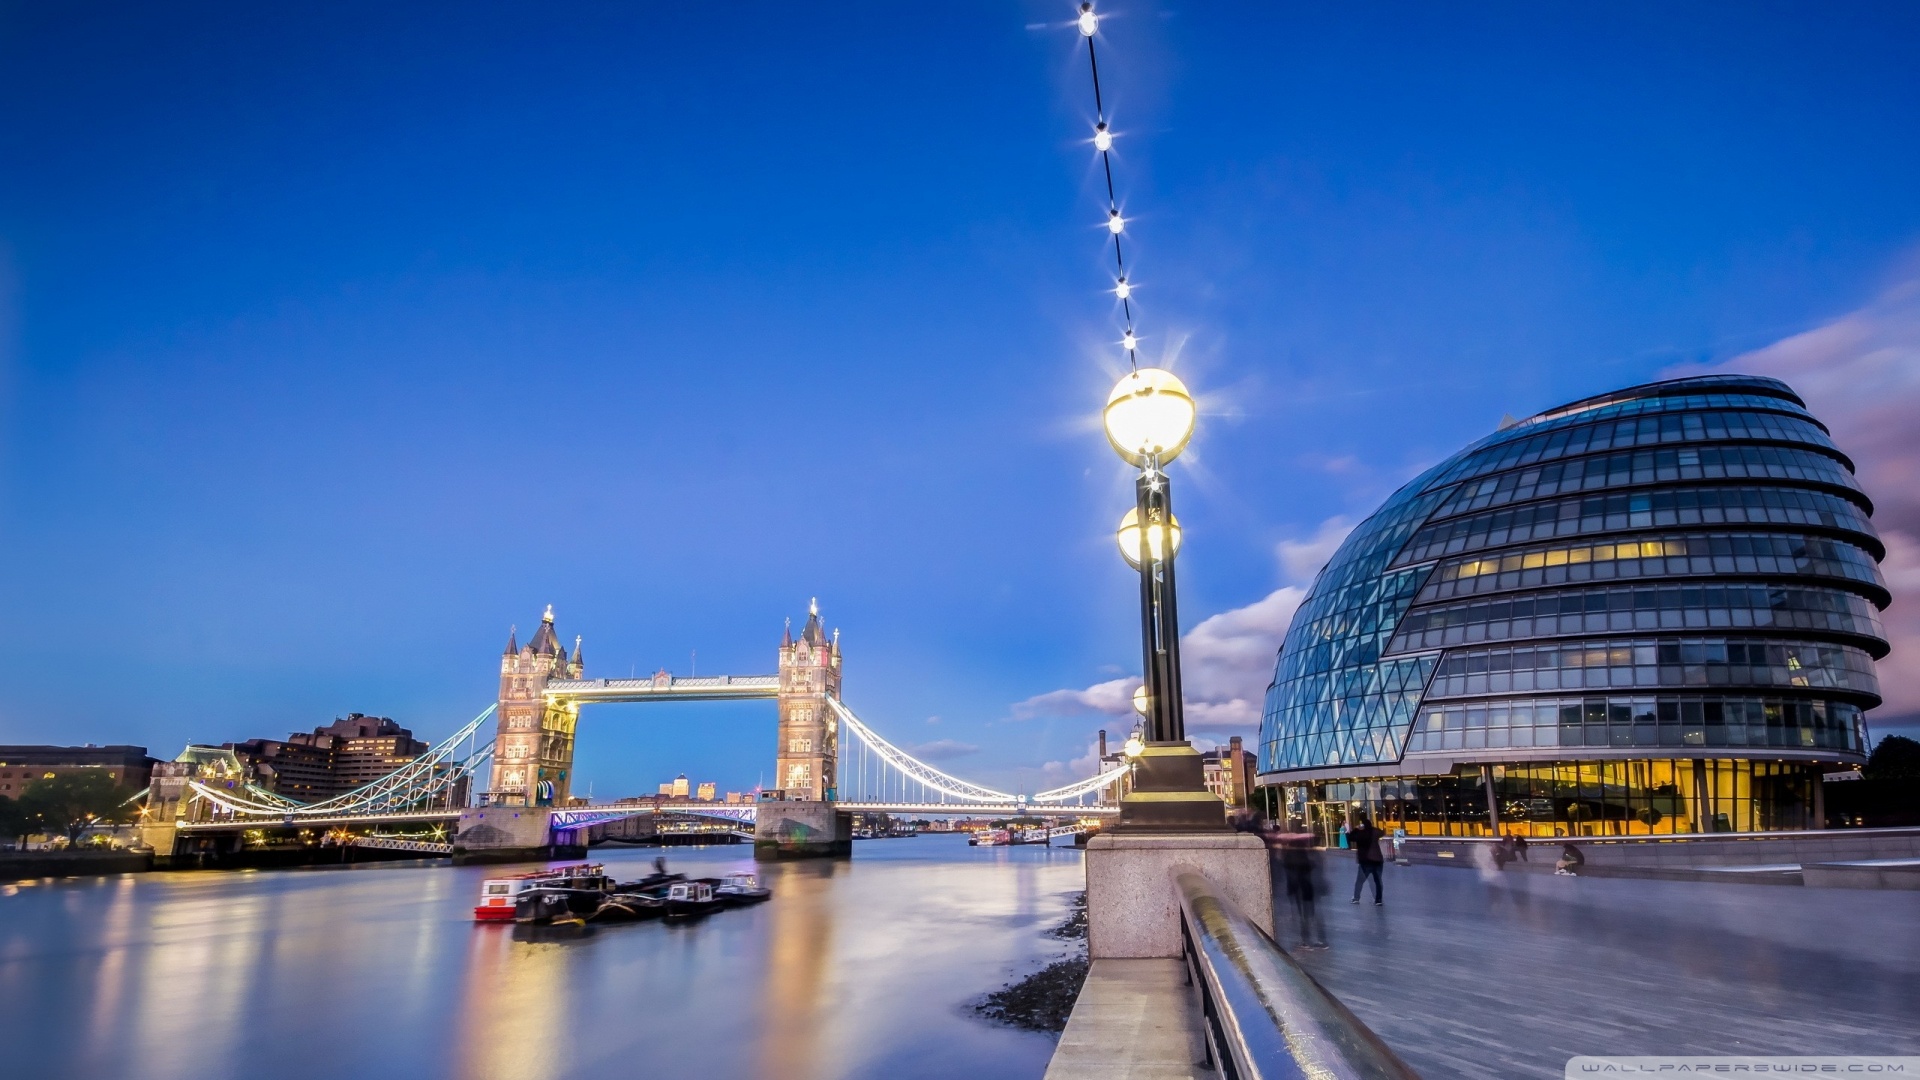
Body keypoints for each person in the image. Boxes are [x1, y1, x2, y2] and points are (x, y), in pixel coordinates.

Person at [1280, 836, 1327, 949]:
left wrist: (1291, 890)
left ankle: (1306, 940)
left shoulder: (1291, 856)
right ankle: (1321, 940)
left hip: (1300, 889)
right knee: (1314, 914)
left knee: (1304, 915)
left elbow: (1290, 872)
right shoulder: (1311, 855)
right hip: (1311, 888)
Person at [1348, 814, 1385, 905]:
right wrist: (1372, 827)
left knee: (1360, 881)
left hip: (1365, 861)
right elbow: (1382, 832)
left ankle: (1356, 898)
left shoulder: (1360, 833)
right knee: (1377, 881)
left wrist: (1356, 829)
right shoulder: (1375, 832)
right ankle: (1378, 900)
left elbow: (1350, 837)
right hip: (1377, 860)